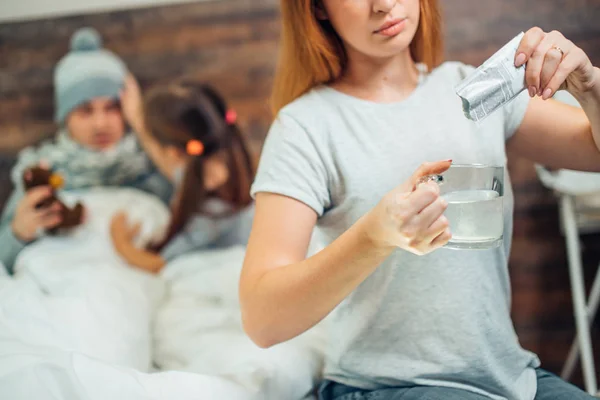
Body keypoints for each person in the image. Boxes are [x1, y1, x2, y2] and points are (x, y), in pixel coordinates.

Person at [239, 1, 600, 399]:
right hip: (388, 388)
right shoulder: (305, 128)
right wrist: (374, 236)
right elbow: (262, 320)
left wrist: (590, 87)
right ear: (318, 9)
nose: (384, 4)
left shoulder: (476, 90)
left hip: (511, 379)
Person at [0, 27, 172, 274]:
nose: (100, 123)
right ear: (65, 117)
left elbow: (199, 221)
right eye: (85, 110)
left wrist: (144, 128)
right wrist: (18, 233)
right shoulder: (40, 171)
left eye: (111, 108)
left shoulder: (150, 164)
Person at [110, 79, 255, 273]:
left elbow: (159, 263)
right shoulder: (227, 163)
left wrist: (121, 244)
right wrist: (137, 119)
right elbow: (174, 169)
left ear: (173, 153)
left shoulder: (214, 212)